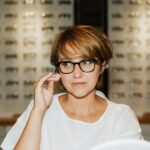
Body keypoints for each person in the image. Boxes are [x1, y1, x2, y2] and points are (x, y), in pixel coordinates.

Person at [1, 25, 143, 150]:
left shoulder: (120, 117)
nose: (77, 73)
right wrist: (38, 111)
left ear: (102, 66)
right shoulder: (40, 109)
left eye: (86, 62)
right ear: (58, 69)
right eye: (67, 63)